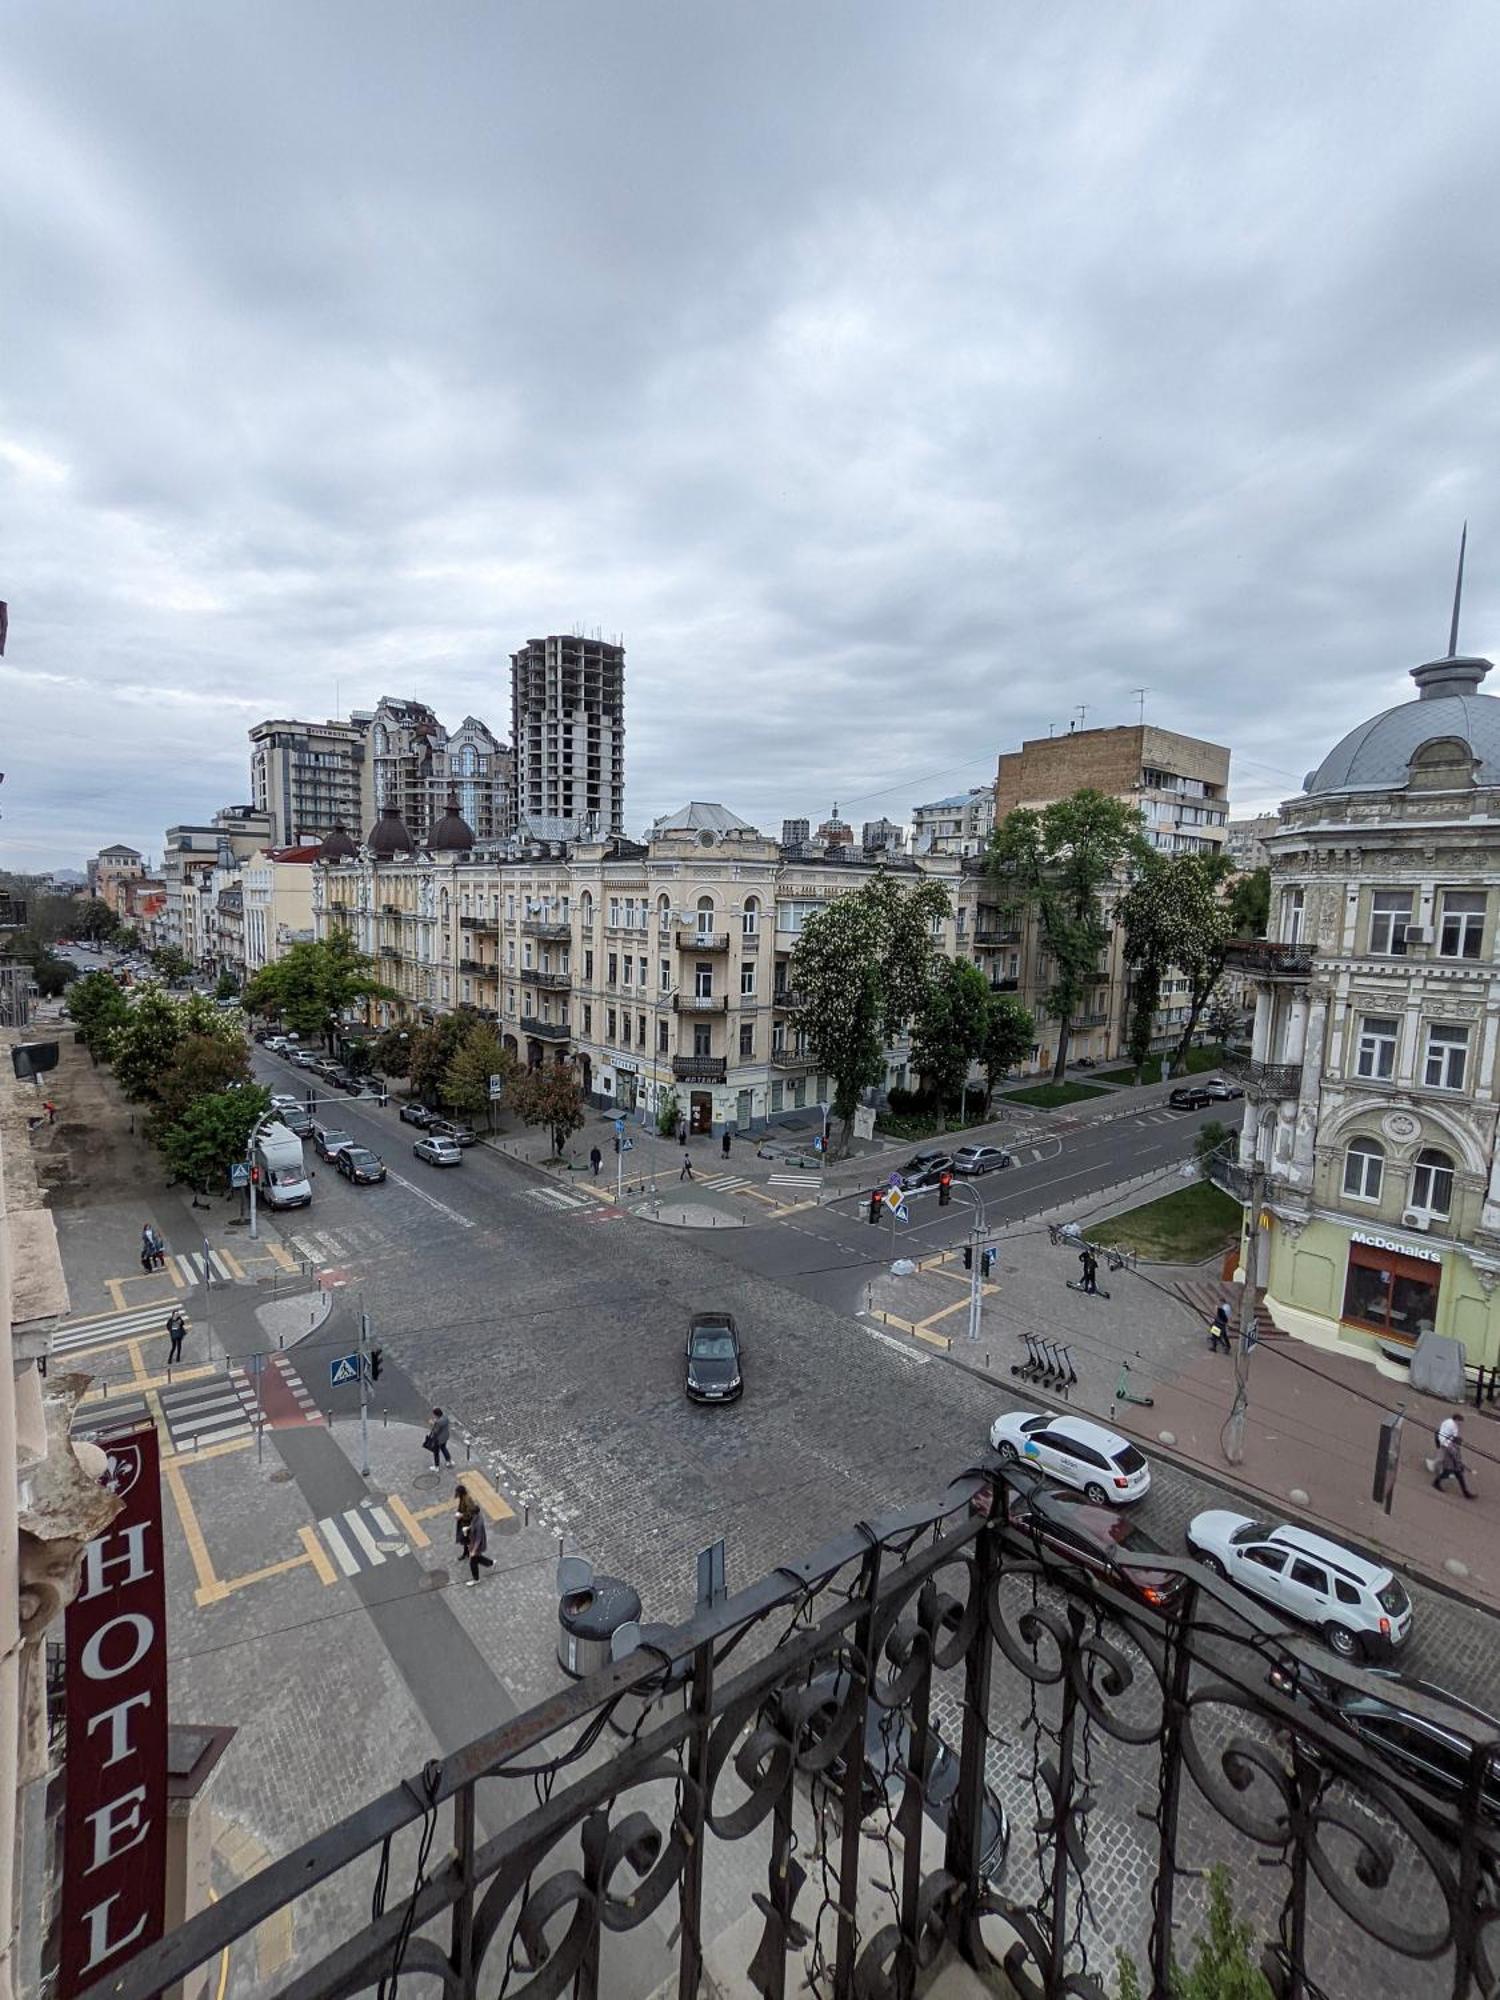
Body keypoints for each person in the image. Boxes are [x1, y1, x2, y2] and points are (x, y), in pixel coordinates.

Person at [1433, 1411, 1475, 1499]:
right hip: (1451, 1464)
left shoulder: (1448, 1423)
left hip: (1450, 1459)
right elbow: (1456, 1457)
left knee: (1458, 1476)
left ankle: (1466, 1493)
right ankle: (1436, 1481)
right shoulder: (1453, 1446)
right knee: (1447, 1472)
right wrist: (1462, 1466)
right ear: (1457, 1419)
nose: (1461, 1424)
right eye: (1460, 1422)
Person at [463, 1504, 493, 1586]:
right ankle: (490, 1563)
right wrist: (468, 1528)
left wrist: (473, 1550)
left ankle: (476, 1579)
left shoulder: (479, 1523)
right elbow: (473, 1525)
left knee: (473, 1562)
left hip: (476, 1545)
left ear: (474, 1513)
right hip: (473, 1542)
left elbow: (478, 1539)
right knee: (477, 1558)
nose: (469, 1514)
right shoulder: (477, 1517)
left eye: (470, 1513)